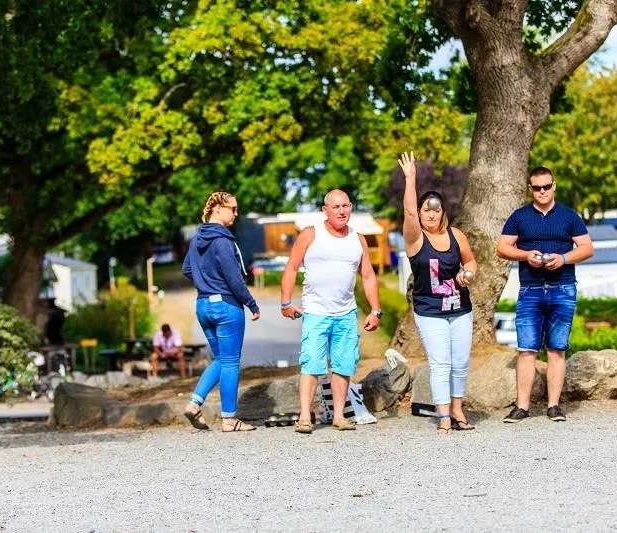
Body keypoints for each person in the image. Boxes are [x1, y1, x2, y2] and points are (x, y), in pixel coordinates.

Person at [496, 166, 594, 423]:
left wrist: (563, 258)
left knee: (556, 349)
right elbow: (502, 247)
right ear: (530, 189)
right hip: (530, 289)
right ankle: (522, 407)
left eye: (546, 187)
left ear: (554, 186)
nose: (542, 192)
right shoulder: (520, 216)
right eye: (537, 187)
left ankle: (554, 405)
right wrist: (526, 255)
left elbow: (586, 248)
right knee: (527, 349)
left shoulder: (569, 216)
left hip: (563, 287)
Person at [280, 189, 381, 434]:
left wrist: (375, 311)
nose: (342, 211)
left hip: (346, 313)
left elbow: (367, 275)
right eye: (336, 207)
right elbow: (292, 268)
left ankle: (339, 416)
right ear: (325, 210)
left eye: (346, 206)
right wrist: (286, 302)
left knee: (344, 366)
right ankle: (305, 416)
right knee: (312, 364)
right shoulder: (310, 235)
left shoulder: (358, 239)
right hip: (316, 312)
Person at [398, 152, 477, 435]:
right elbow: (407, 211)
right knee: (441, 362)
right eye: (426, 210)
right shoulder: (415, 238)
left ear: (443, 211)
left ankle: (457, 408)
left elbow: (470, 261)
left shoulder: (457, 235)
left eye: (436, 209)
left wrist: (468, 274)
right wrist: (411, 178)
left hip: (460, 308)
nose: (431, 214)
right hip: (429, 310)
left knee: (461, 361)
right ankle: (443, 415)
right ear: (419, 212)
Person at [181, 190, 261, 432]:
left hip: (204, 305)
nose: (236, 213)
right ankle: (229, 419)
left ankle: (194, 404)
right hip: (226, 307)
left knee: (220, 359)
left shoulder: (197, 238)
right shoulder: (223, 240)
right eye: (232, 209)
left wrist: (206, 282)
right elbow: (234, 278)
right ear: (217, 209)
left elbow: (187, 268)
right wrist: (251, 303)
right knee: (230, 363)